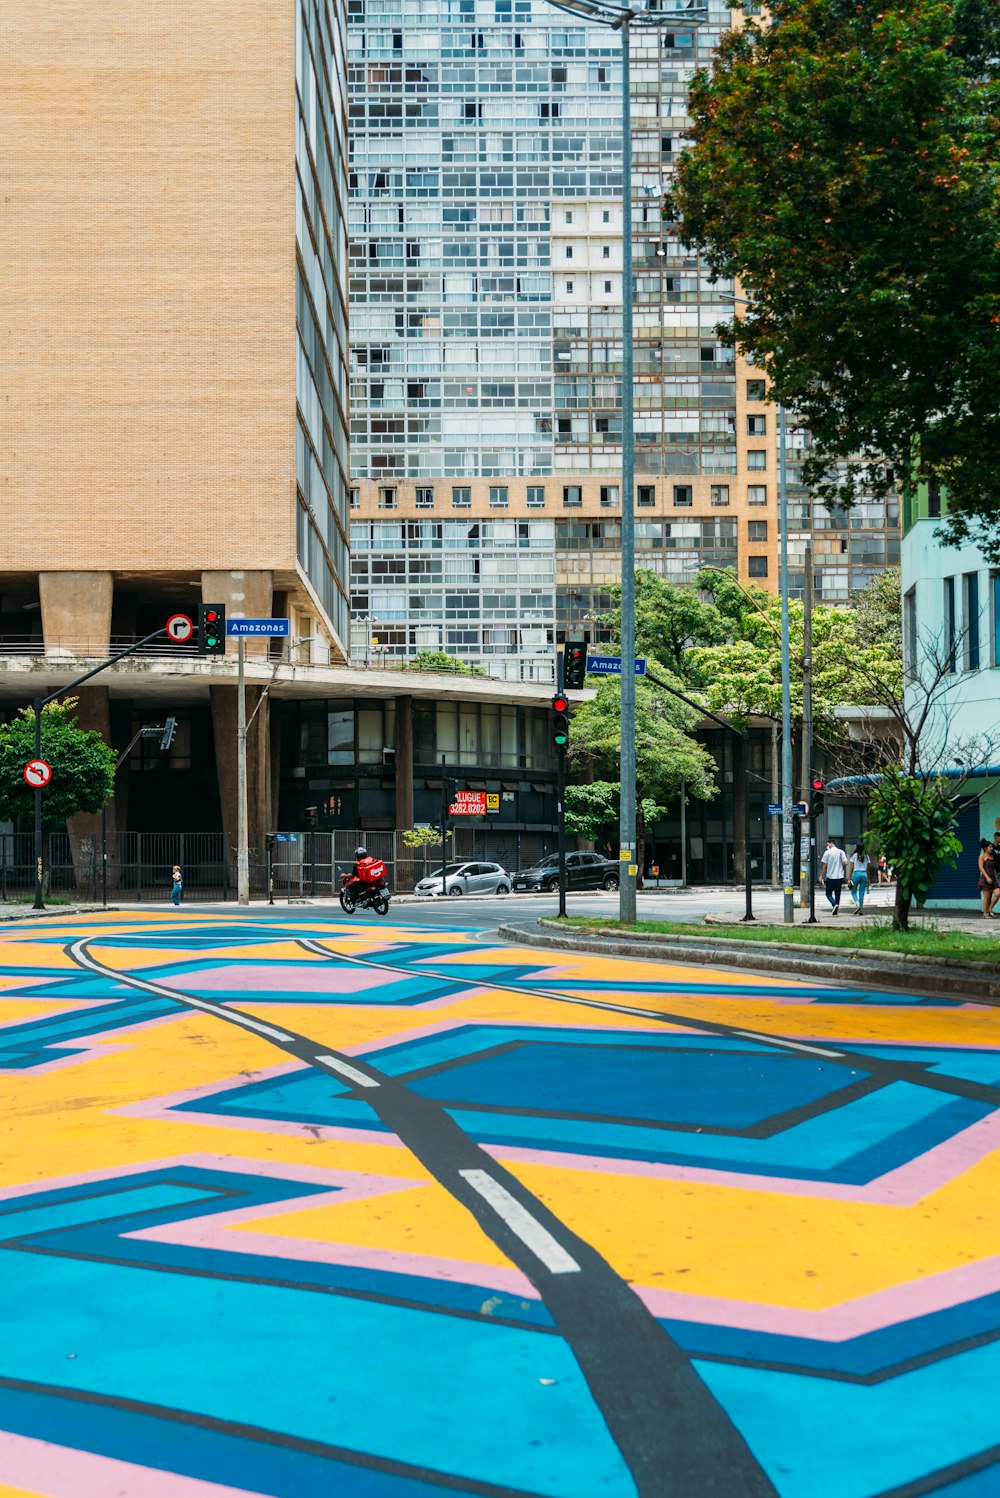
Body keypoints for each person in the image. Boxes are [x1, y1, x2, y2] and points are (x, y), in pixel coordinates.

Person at [820, 838, 848, 915]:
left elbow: (824, 865)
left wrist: (821, 876)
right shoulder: (841, 852)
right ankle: (836, 909)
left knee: (828, 893)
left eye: (827, 844)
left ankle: (834, 904)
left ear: (830, 843)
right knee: (837, 894)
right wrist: (841, 866)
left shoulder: (827, 853)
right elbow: (846, 862)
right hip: (839, 877)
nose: (827, 846)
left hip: (831, 876)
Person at [977, 840, 999, 919]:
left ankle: (989, 909)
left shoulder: (992, 856)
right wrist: (987, 877)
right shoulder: (982, 856)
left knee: (998, 893)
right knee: (987, 897)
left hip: (993, 878)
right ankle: (985, 914)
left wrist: (996, 879)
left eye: (992, 847)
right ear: (985, 848)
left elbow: (994, 869)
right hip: (986, 879)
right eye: (990, 847)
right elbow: (981, 867)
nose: (991, 848)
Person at [847, 843, 871, 914]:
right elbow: (868, 868)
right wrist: (868, 879)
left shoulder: (854, 856)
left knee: (853, 891)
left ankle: (857, 904)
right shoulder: (866, 856)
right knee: (861, 893)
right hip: (864, 874)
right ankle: (861, 909)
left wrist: (849, 878)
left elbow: (851, 868)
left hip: (856, 874)